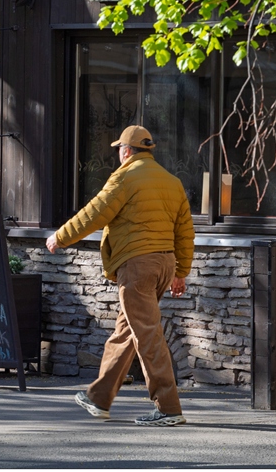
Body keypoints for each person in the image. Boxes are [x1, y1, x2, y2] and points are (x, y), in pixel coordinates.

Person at [46, 125, 194, 426]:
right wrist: (180, 271)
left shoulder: (125, 177)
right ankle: (99, 398)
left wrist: (60, 237)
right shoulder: (171, 181)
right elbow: (185, 232)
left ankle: (168, 407)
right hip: (163, 263)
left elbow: (95, 212)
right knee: (127, 331)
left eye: (118, 150)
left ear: (126, 151)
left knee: (148, 335)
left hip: (137, 265)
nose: (118, 155)